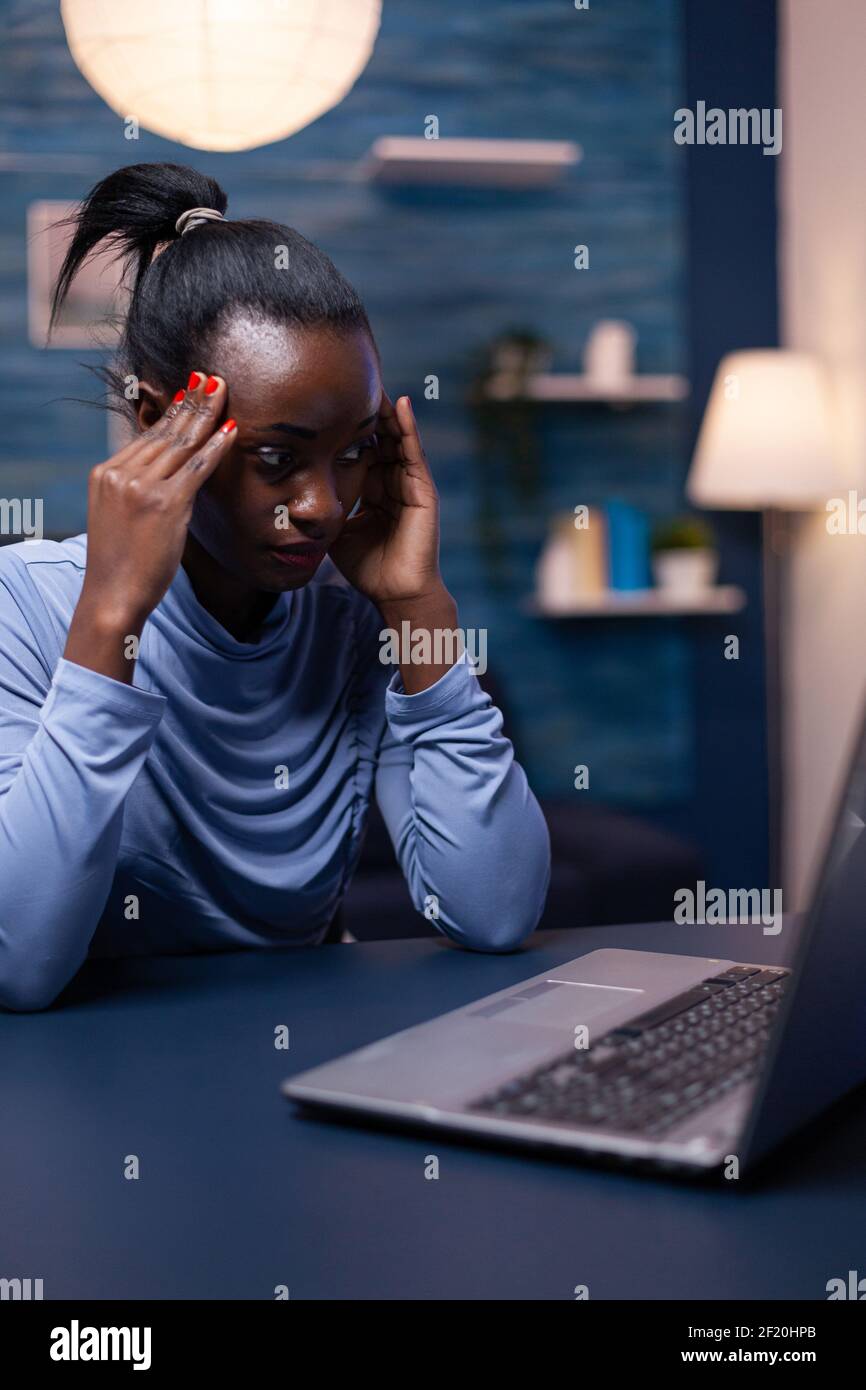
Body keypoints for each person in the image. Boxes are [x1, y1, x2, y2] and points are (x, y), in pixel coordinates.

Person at [0, 162, 551, 1011]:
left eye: (356, 450)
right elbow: (21, 965)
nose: (325, 506)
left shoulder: (358, 625)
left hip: (304, 1061)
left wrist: (420, 612)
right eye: (276, 459)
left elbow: (497, 912)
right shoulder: (24, 605)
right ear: (156, 424)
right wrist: (110, 617)